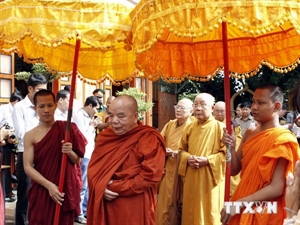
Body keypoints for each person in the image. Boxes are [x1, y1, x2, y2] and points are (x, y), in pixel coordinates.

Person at [220, 84, 300, 225]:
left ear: (276, 106)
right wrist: (231, 147)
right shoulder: (250, 133)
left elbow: (277, 187)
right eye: (253, 102)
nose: (254, 107)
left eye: (261, 103)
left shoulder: (282, 138)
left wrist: (239, 204)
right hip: (242, 200)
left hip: (267, 209)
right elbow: (234, 170)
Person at [87, 95, 166, 225]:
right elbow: (94, 169)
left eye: (121, 116)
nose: (114, 121)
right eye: (111, 115)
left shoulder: (148, 138)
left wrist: (114, 186)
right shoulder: (105, 137)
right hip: (106, 204)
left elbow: (150, 176)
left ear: (135, 116)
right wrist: (100, 187)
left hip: (134, 204)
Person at [23, 89, 87, 225]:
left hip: (63, 191)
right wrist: (49, 186)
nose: (46, 110)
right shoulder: (30, 135)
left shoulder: (67, 129)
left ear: (56, 105)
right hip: (42, 189)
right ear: (35, 108)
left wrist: (70, 152)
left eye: (50, 105)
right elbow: (27, 167)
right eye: (41, 106)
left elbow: (77, 160)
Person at [178, 93, 225, 225]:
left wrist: (208, 160)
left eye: (202, 105)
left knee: (210, 212)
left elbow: (226, 155)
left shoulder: (220, 127)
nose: (198, 108)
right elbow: (181, 150)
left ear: (212, 107)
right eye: (195, 104)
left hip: (210, 179)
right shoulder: (189, 127)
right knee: (190, 212)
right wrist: (187, 158)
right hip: (192, 177)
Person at [12, 73, 47, 225]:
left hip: (43, 155)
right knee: (25, 195)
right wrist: (38, 119)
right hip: (26, 154)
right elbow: (21, 134)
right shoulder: (19, 108)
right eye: (39, 90)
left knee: (41, 193)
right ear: (30, 89)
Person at [156, 98, 193, 225]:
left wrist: (180, 154)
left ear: (191, 111)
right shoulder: (170, 124)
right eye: (177, 106)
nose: (178, 110)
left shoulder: (193, 125)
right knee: (165, 202)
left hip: (185, 170)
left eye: (182, 108)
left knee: (182, 203)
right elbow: (159, 142)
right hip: (169, 168)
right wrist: (164, 150)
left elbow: (196, 148)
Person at [73, 96, 101, 224]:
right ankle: (78, 212)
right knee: (82, 185)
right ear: (90, 106)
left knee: (87, 184)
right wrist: (92, 126)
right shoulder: (79, 116)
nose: (96, 111)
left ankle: (84, 210)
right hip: (83, 155)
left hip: (90, 153)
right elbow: (81, 137)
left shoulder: (88, 117)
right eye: (96, 108)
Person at [213, 101, 242, 197]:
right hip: (214, 159)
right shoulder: (210, 124)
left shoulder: (233, 124)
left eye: (222, 111)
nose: (220, 113)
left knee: (230, 184)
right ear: (213, 110)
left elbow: (237, 141)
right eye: (217, 111)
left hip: (228, 156)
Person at [0, 91, 23, 202]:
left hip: (12, 141)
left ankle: (11, 184)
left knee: (14, 164)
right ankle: (6, 191)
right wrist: (3, 138)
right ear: (16, 101)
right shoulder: (3, 109)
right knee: (5, 167)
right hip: (3, 142)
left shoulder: (16, 110)